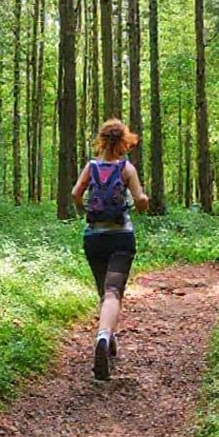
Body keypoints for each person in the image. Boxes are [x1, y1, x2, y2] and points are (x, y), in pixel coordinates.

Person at [71, 119, 150, 381]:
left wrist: (85, 212)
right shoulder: (126, 168)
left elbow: (75, 193)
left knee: (102, 291)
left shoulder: (90, 166)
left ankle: (109, 340)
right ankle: (103, 337)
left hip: (94, 238)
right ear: (123, 141)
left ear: (102, 140)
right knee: (113, 292)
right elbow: (140, 200)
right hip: (121, 238)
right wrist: (142, 203)